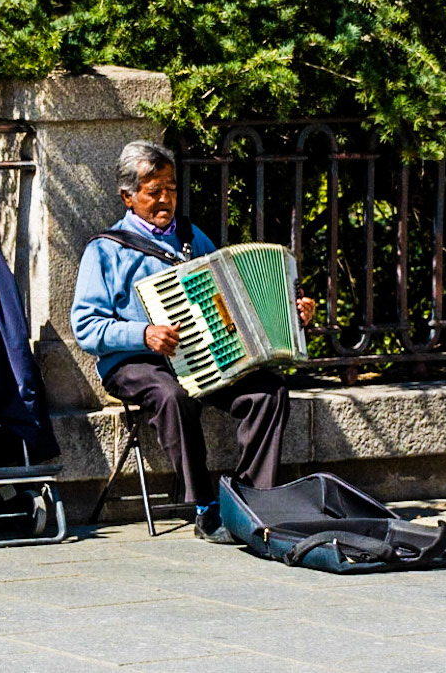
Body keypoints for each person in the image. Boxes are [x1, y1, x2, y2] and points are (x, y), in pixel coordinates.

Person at [70, 140, 316, 543]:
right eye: (154, 191)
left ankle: (248, 497)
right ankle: (204, 505)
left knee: (269, 392)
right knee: (172, 395)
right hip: (134, 363)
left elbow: (229, 295)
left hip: (200, 355)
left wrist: (292, 312)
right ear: (128, 197)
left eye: (171, 188)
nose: (165, 199)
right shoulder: (105, 250)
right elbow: (86, 327)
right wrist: (143, 333)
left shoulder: (191, 237)